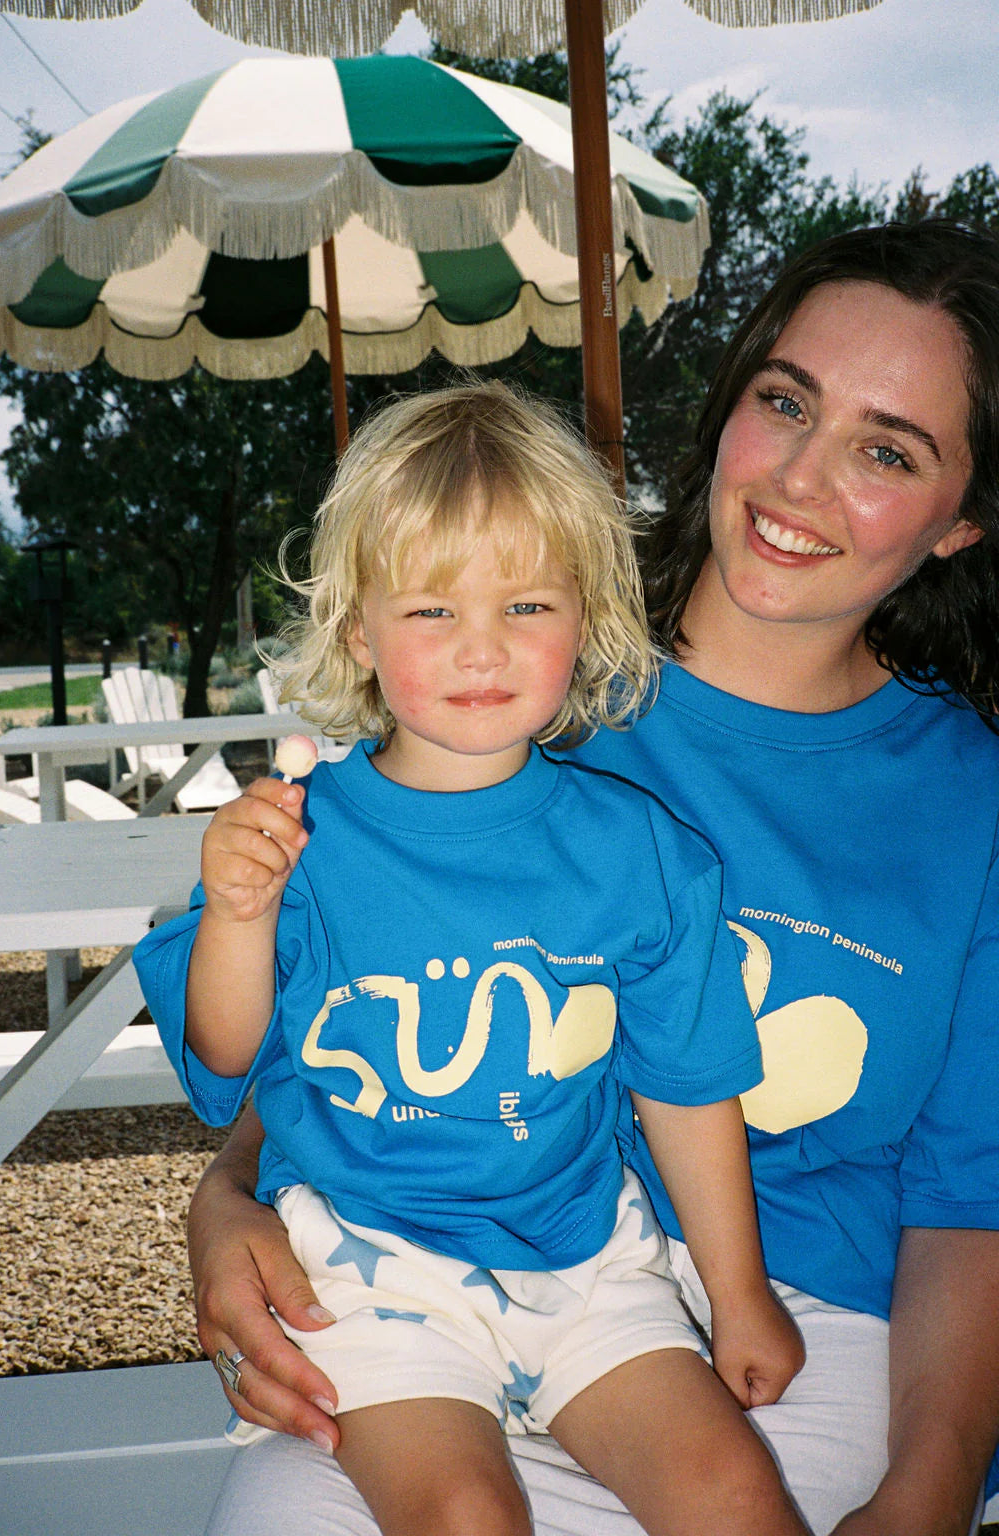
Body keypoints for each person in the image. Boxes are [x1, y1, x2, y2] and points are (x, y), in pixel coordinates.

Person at [182, 221, 999, 1536]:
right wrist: (221, 1202)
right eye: (785, 402)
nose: (800, 476)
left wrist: (934, 1486)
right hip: (420, 1281)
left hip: (790, 1331)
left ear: (963, 521)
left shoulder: (975, 800)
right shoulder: (508, 666)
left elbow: (975, 1201)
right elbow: (354, 991)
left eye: (886, 450)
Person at [135, 382, 809, 1536]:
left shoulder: (640, 852)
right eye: (432, 611)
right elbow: (225, 1056)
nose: (483, 648)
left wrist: (738, 1297)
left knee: (736, 1494)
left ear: (585, 617)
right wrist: (241, 915)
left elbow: (685, 1085)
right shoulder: (298, 837)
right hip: (367, 1266)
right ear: (358, 629)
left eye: (528, 604)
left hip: (588, 1257)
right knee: (464, 1516)